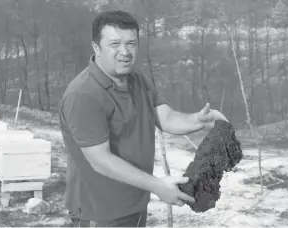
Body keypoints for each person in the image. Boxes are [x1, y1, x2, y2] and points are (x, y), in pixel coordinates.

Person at [59, 10, 229, 227]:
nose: (125, 52)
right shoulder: (83, 94)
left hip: (135, 203)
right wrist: (157, 186)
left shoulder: (135, 78)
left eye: (131, 43)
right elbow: (101, 161)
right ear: (96, 47)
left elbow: (165, 117)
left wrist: (197, 120)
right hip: (100, 212)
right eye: (114, 44)